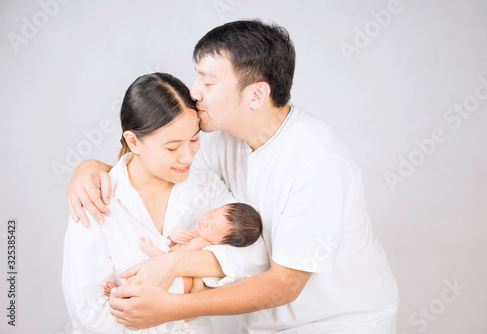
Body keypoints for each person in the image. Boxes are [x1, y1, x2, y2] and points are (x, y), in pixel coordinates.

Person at [67, 20, 399, 333]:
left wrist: (171, 301)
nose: (194, 92)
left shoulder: (319, 161)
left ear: (256, 95)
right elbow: (156, 164)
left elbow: (285, 284)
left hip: (339, 323)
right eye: (197, 78)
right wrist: (92, 168)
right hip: (268, 325)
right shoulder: (225, 142)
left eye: (208, 83)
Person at [62, 72, 268, 334]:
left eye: (194, 140)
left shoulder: (206, 186)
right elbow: (87, 309)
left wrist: (175, 265)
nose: (187, 156)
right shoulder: (94, 198)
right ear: (134, 141)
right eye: (172, 148)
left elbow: (256, 255)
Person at [104, 203, 263, 296]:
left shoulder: (201, 244)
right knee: (139, 280)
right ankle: (123, 293)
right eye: (213, 213)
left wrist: (150, 249)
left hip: (177, 284)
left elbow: (169, 261)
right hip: (171, 276)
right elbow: (172, 249)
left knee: (142, 283)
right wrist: (174, 234)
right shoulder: (198, 234)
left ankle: (121, 295)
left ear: (223, 244)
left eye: (213, 228)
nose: (207, 221)